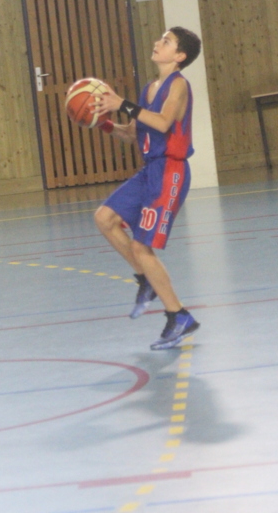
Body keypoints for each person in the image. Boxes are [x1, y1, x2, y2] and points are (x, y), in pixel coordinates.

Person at [93, 26, 201, 350]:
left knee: (142, 246)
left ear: (179, 56)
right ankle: (145, 278)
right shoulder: (148, 88)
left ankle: (178, 316)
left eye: (166, 42)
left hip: (170, 172)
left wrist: (121, 103)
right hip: (150, 170)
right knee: (104, 218)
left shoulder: (178, 85)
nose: (157, 43)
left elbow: (164, 122)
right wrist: (104, 123)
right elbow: (133, 133)